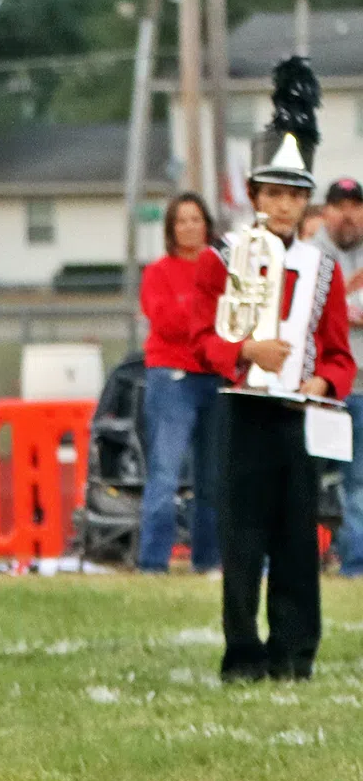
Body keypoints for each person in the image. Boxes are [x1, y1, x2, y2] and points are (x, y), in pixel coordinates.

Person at [201, 60, 353, 681]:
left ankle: (295, 653)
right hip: (243, 414)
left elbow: (340, 354)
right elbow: (195, 340)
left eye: (295, 195)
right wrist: (243, 354)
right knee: (243, 542)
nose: (284, 205)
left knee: (297, 541)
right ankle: (243, 654)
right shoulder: (223, 258)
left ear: (303, 200)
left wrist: (323, 384)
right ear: (256, 197)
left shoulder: (324, 270)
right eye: (274, 194)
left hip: (296, 420)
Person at [136, 194, 228, 574]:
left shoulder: (224, 272)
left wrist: (204, 320)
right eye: (182, 220)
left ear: (207, 223)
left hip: (216, 377)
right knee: (165, 473)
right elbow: (166, 321)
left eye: (196, 219)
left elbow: (235, 320)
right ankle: (153, 563)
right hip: (172, 377)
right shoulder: (158, 272)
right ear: (171, 229)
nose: (190, 227)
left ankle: (207, 560)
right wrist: (208, 319)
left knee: (212, 475)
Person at [311, 177, 363, 575]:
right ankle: (299, 557)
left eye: (355, 205)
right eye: (340, 205)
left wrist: (339, 307)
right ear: (325, 211)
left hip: (361, 387)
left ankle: (354, 563)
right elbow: (311, 314)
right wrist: (346, 302)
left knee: (357, 480)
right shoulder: (310, 256)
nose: (348, 213)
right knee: (309, 477)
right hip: (320, 386)